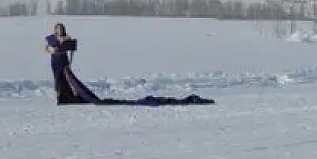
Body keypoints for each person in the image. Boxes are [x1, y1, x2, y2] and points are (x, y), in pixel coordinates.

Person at [43, 23, 214, 106]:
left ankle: (67, 98)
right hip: (55, 61)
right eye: (56, 29)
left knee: (66, 80)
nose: (58, 31)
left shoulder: (66, 38)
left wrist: (62, 47)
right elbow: (47, 47)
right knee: (58, 81)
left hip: (62, 61)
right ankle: (62, 97)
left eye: (59, 29)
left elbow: (71, 47)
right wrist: (51, 50)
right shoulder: (52, 38)